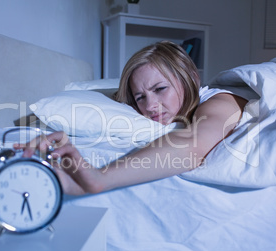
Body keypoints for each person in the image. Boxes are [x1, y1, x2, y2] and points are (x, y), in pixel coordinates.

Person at [14, 41, 248, 195]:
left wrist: (99, 178)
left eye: (159, 89)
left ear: (192, 79)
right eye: (139, 97)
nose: (150, 106)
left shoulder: (219, 102)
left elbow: (193, 145)